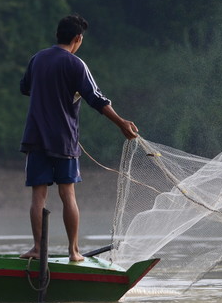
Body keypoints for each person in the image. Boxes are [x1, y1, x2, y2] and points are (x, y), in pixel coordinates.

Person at [19, 14, 138, 262]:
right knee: (67, 193)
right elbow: (97, 99)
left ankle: (38, 249)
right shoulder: (76, 65)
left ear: (57, 36)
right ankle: (74, 252)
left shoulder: (37, 59)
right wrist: (121, 123)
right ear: (77, 39)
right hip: (64, 140)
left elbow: (25, 87)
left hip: (36, 138)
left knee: (38, 195)